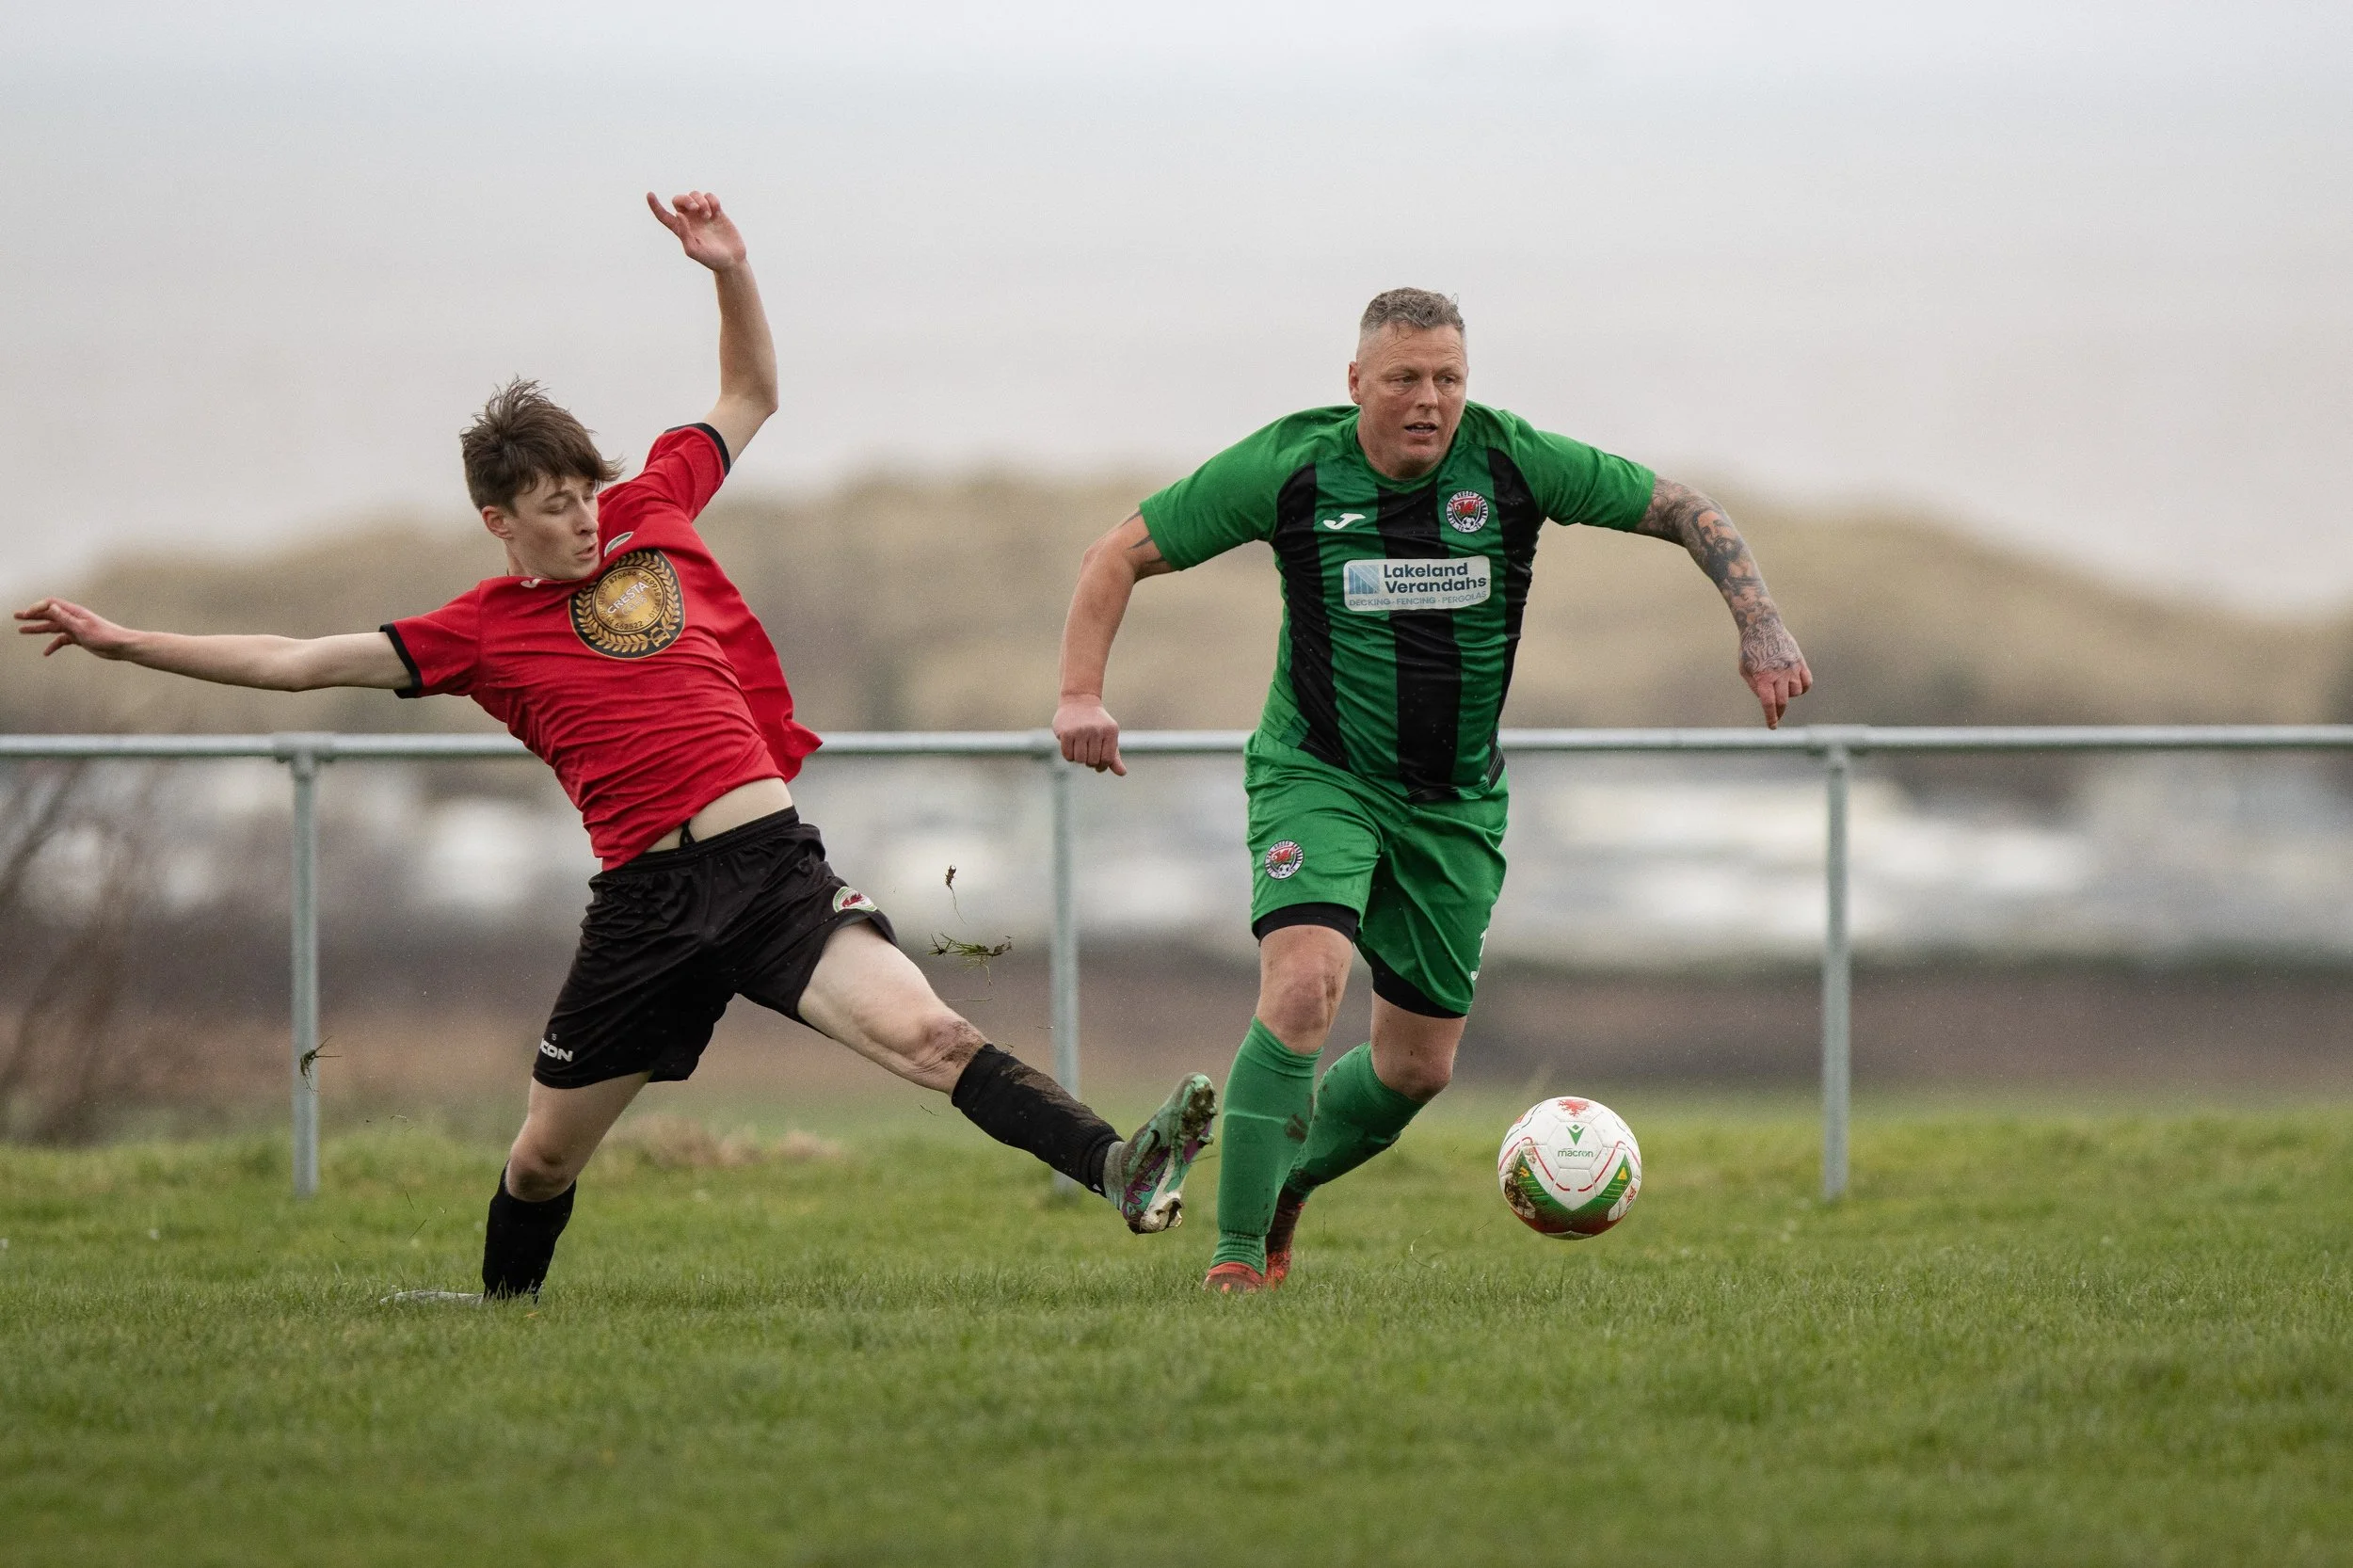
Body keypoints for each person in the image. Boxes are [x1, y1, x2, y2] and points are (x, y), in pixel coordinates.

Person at [17, 190, 1215, 1302]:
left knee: (933, 1035)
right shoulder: (474, 632)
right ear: (499, 520)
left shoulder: (653, 508)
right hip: (645, 907)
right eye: (554, 506)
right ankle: (501, 1315)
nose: (586, 516)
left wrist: (730, 273)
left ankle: (1116, 1166)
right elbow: (293, 657)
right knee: (540, 1161)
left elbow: (748, 395)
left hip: (771, 871)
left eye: (587, 492)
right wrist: (125, 641)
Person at [1053, 289, 1811, 1293]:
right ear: (1356, 381)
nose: (1429, 400)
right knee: (1304, 984)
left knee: (1416, 1069)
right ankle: (1234, 1266)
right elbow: (1117, 553)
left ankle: (1285, 1184)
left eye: (1448, 378)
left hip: (1454, 803)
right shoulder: (1292, 466)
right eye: (1405, 378)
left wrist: (1759, 623)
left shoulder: (1507, 462)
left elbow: (1683, 508)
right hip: (1317, 775)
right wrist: (1078, 694)